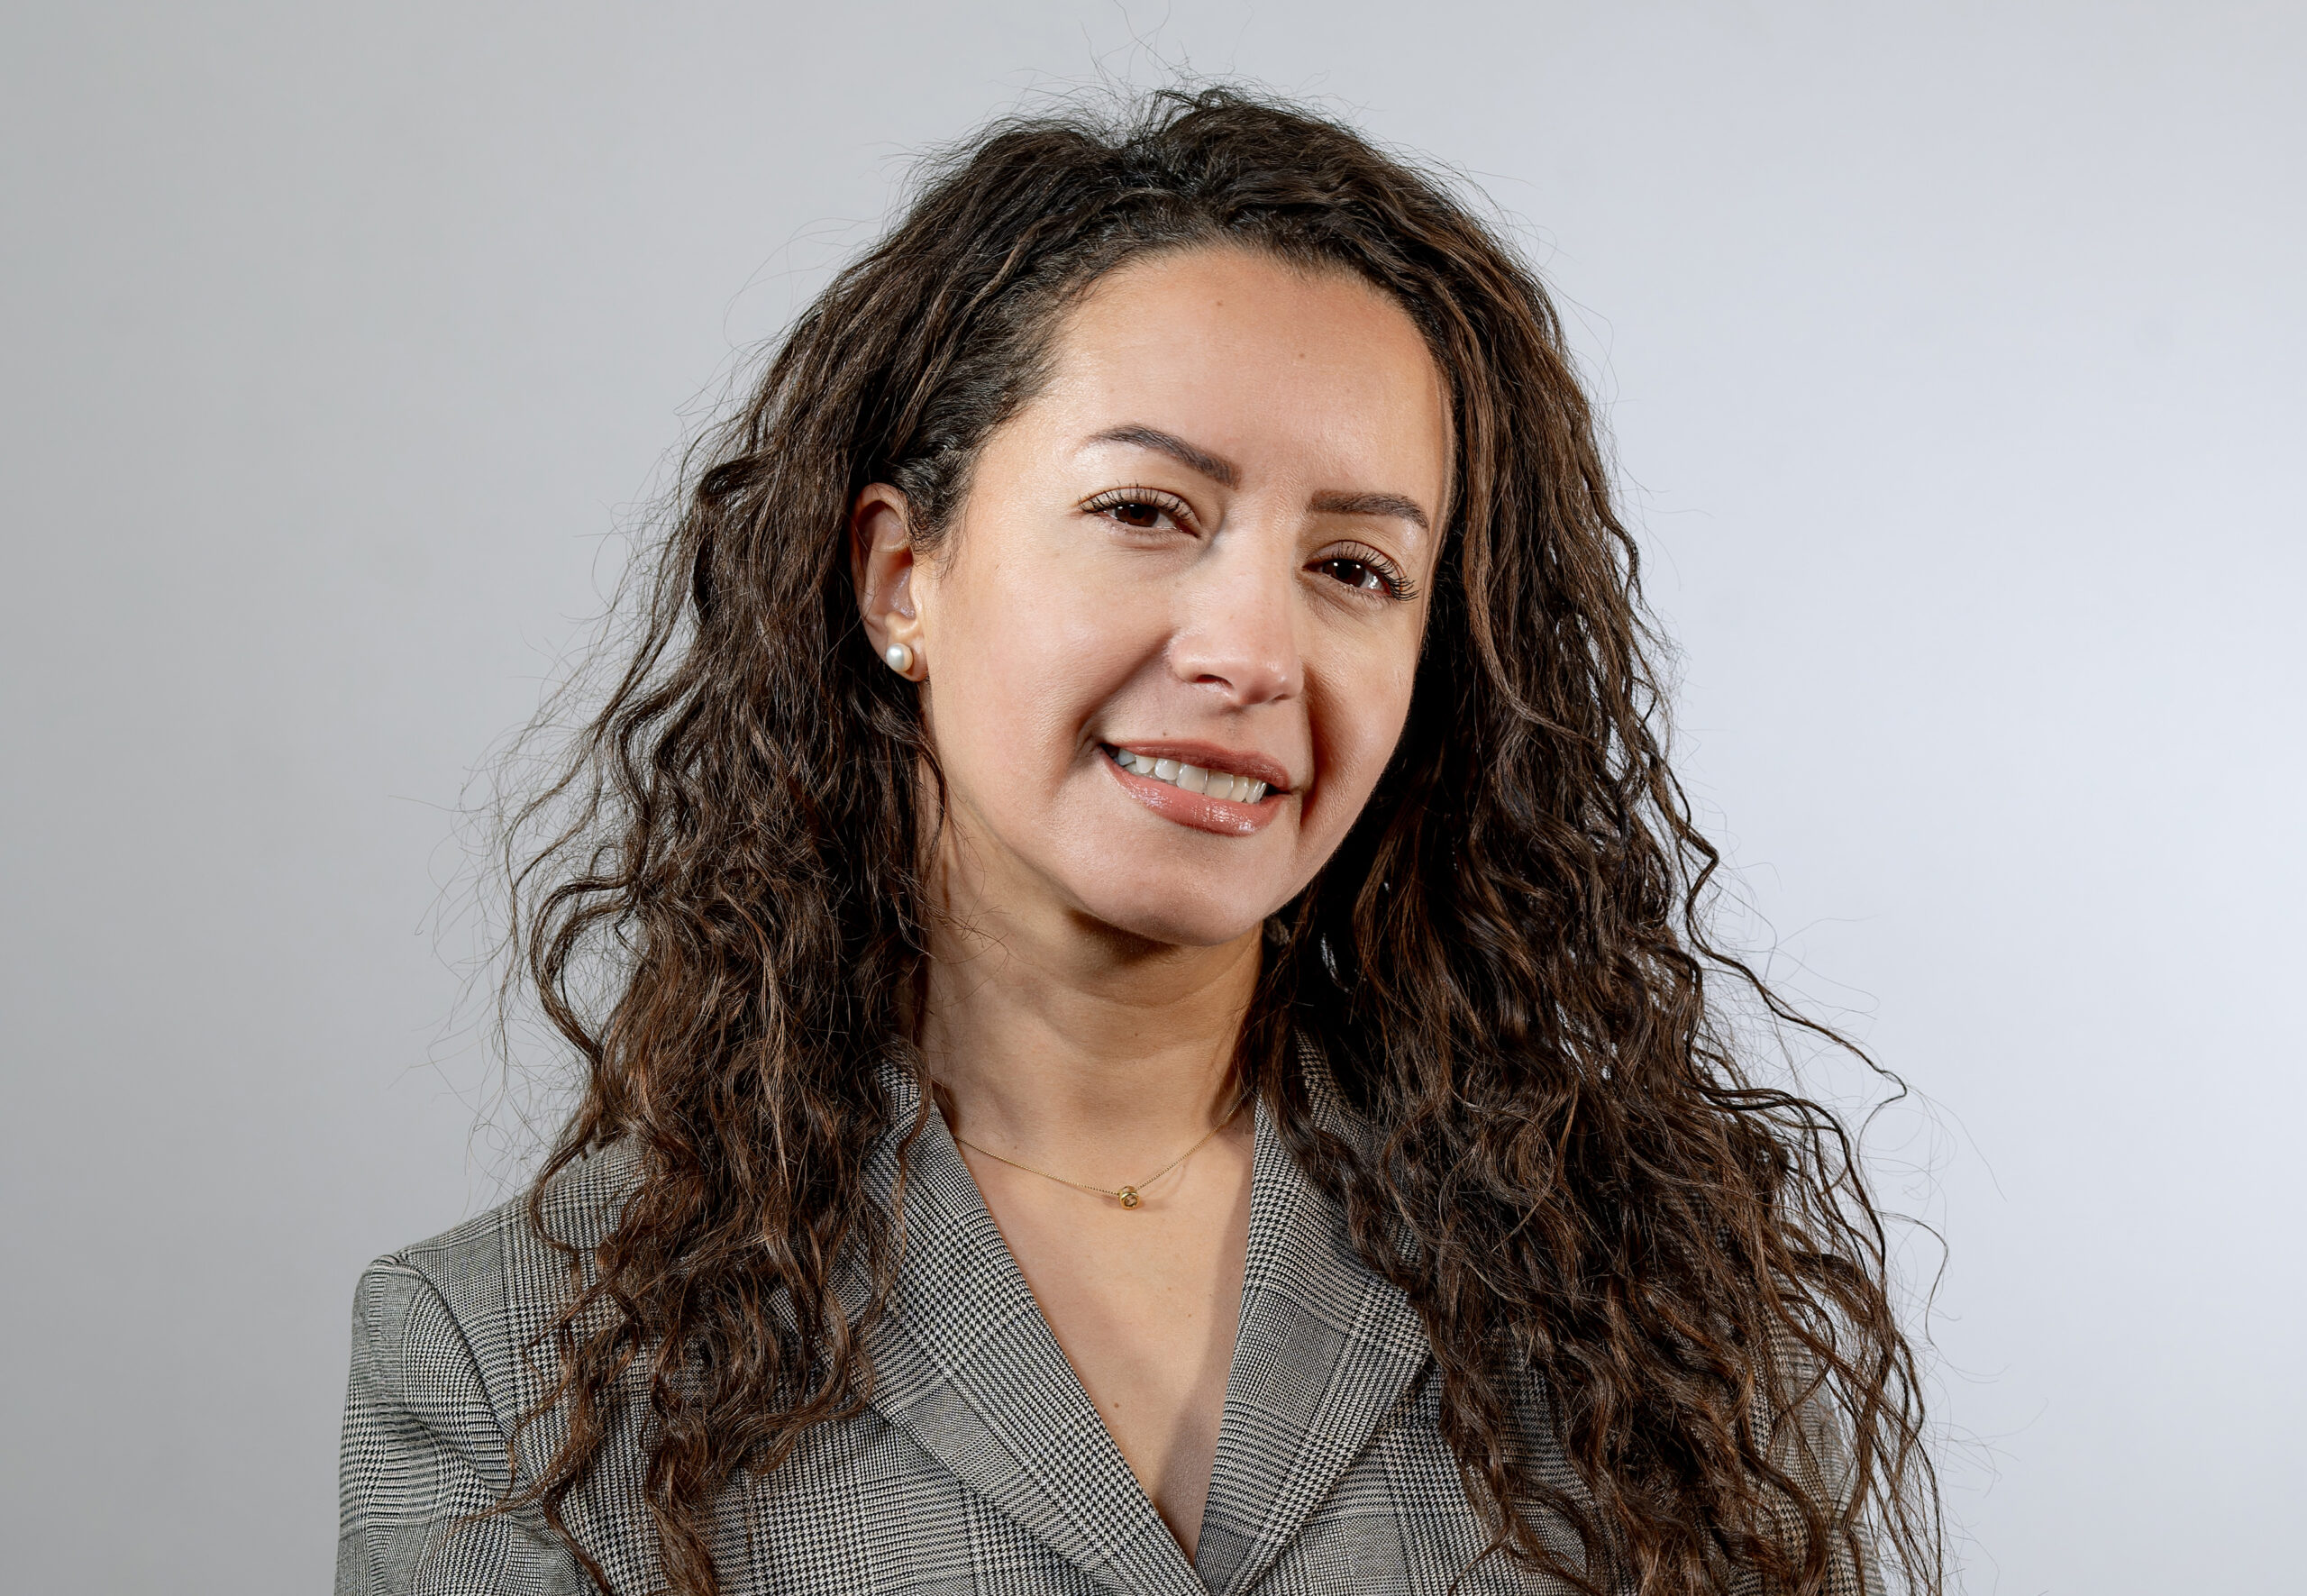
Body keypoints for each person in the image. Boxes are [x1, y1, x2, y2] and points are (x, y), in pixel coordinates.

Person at [336, 87, 1938, 1596]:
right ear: (900, 578)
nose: (1251, 653)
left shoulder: (1658, 1306)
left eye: (1357, 569)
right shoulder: (509, 1363)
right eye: (1146, 513)